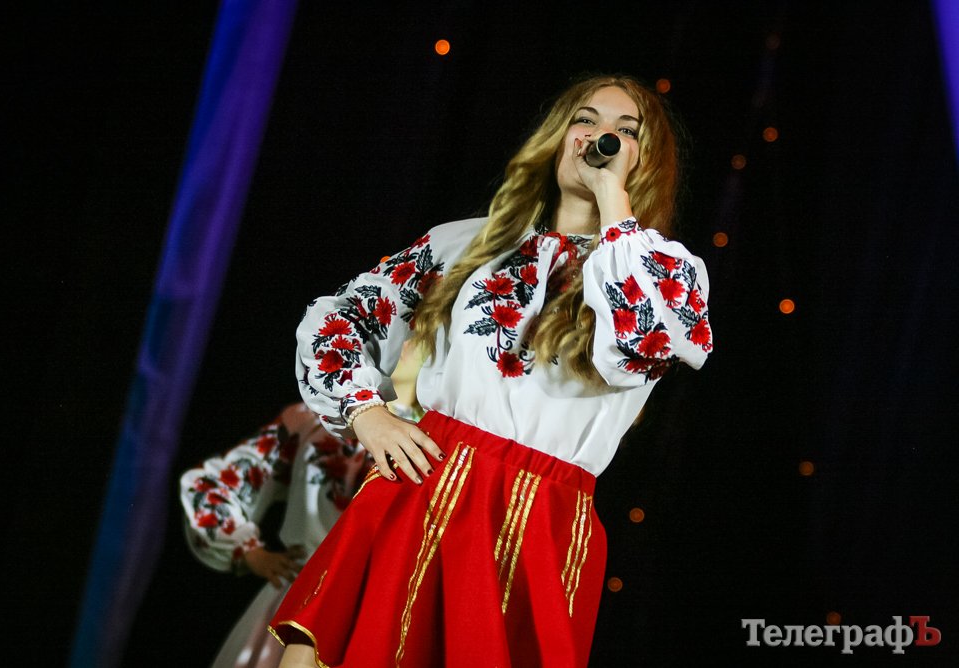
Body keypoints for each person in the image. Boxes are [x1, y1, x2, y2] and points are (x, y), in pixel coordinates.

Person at [269, 73, 713, 667]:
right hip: (425, 484)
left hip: (540, 523)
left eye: (624, 131)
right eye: (584, 120)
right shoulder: (469, 245)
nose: (598, 137)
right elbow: (343, 317)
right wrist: (365, 412)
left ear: (645, 160)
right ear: (559, 136)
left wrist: (613, 199)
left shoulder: (666, 272)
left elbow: (640, 345)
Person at [181, 343, 425, 667]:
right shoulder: (316, 419)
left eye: (420, 327)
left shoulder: (442, 440)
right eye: (399, 324)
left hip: (381, 615)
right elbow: (211, 483)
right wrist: (249, 549)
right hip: (300, 600)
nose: (406, 338)